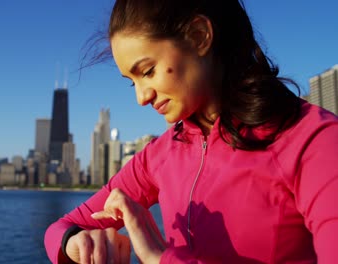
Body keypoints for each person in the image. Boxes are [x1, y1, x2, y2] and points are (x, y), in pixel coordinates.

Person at [44, 0, 338, 263]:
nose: (141, 97)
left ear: (199, 37)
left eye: (147, 71)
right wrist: (79, 244)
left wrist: (161, 258)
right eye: (132, 82)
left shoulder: (314, 140)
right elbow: (60, 230)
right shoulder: (158, 155)